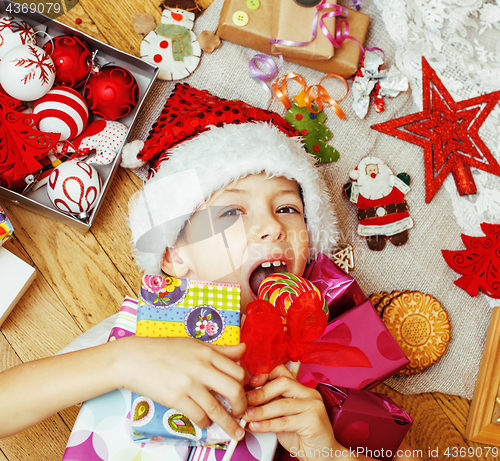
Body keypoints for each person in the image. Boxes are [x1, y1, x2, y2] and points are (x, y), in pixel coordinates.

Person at [0, 85, 421, 461]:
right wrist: (119, 361)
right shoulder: (139, 332)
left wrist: (326, 453)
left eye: (288, 209)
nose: (272, 227)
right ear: (174, 256)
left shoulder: (310, 380)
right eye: (232, 211)